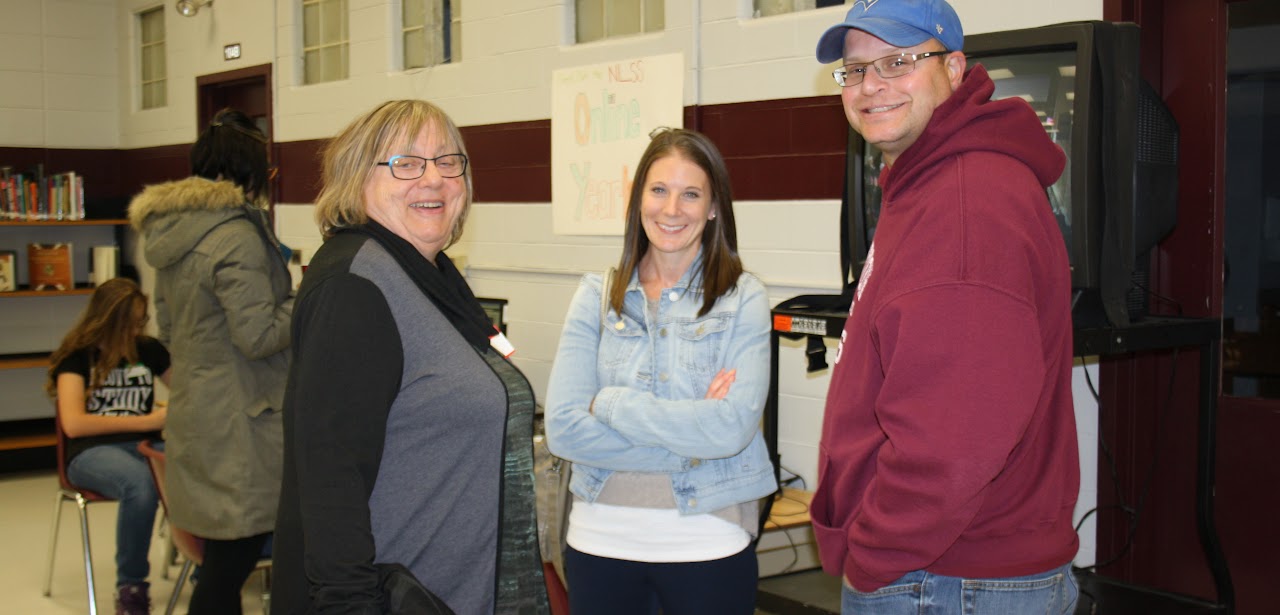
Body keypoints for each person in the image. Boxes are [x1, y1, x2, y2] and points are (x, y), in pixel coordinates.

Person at [808, 1, 1079, 614]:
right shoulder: (934, 182)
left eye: (899, 61)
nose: (871, 85)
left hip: (946, 581)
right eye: (854, 71)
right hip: (952, 573)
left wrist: (874, 556)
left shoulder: (964, 207)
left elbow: (954, 437)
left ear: (954, 69)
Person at [271, 99, 550, 615]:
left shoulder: (432, 274)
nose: (433, 179)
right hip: (396, 597)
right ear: (356, 181)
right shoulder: (355, 288)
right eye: (405, 162)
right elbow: (330, 481)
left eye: (448, 161)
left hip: (458, 587)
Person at [543, 128, 776, 615]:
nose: (672, 210)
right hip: (599, 543)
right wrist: (693, 435)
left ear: (714, 207)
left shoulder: (743, 298)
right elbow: (564, 429)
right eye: (659, 190)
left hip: (708, 543)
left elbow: (731, 429)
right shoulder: (596, 294)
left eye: (691, 194)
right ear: (639, 200)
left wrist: (610, 405)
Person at [128, 108, 293, 615]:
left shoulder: (170, 232)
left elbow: (170, 330)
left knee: (222, 562)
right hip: (242, 424)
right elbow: (259, 333)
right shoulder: (237, 236)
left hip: (197, 412)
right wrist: (309, 299)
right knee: (230, 566)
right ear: (249, 169)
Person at [46, 277, 170, 615]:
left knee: (199, 468)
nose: (136, 330)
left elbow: (188, 391)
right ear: (108, 320)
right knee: (140, 486)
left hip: (143, 444)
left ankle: (209, 563)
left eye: (140, 321)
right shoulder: (76, 358)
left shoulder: (149, 350)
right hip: (90, 453)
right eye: (129, 323)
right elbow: (74, 423)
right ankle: (131, 586)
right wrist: (147, 421)